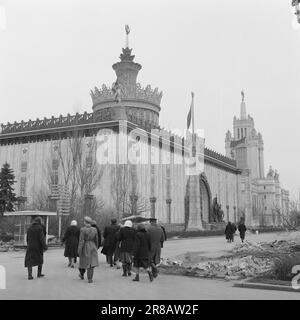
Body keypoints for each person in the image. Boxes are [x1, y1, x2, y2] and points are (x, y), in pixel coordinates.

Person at [78, 216, 99, 283]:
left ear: (85, 222)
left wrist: (79, 249)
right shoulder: (94, 229)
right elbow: (96, 239)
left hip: (85, 245)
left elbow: (81, 240)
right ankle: (90, 278)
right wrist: (96, 246)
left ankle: (82, 274)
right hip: (93, 246)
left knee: (85, 261)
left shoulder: (82, 229)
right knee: (92, 263)